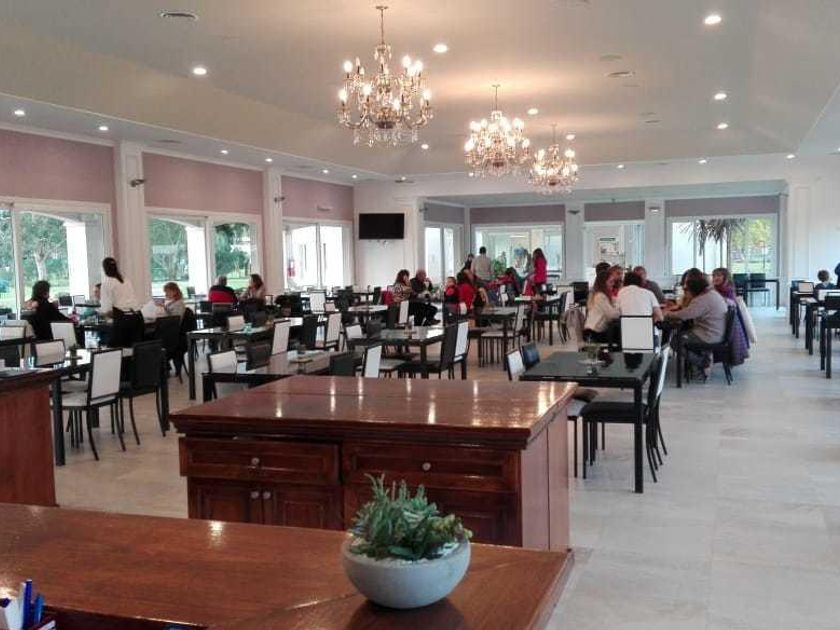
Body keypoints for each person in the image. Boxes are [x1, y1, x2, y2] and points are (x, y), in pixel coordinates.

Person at [666, 274, 728, 345]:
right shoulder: (711, 293)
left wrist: (667, 314)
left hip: (708, 336)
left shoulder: (702, 299)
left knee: (676, 340)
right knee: (681, 334)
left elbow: (685, 315)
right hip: (716, 334)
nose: (685, 288)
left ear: (694, 287)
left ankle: (692, 353)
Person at [99, 257, 142, 348]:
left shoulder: (107, 283)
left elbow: (106, 309)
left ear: (104, 269)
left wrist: (102, 313)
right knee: (133, 348)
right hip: (137, 317)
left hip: (123, 319)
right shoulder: (126, 280)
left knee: (115, 348)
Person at [583, 270, 621, 343]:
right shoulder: (600, 296)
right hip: (593, 333)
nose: (613, 284)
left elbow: (616, 300)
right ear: (603, 283)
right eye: (611, 282)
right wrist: (621, 310)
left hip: (595, 331)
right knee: (620, 337)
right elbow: (612, 315)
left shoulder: (600, 294)